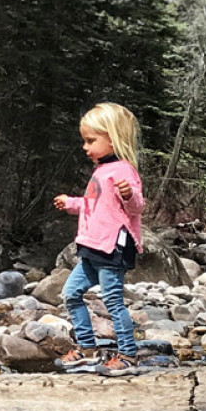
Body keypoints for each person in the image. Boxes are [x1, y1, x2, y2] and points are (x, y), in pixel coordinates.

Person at [53, 102, 145, 376]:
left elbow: (137, 207)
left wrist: (128, 194)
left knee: (113, 300)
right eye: (85, 140)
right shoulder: (100, 171)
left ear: (113, 138)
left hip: (112, 247)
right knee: (71, 293)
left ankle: (128, 354)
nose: (86, 147)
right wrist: (71, 203)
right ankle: (88, 350)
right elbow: (94, 205)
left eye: (91, 140)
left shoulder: (124, 170)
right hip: (91, 246)